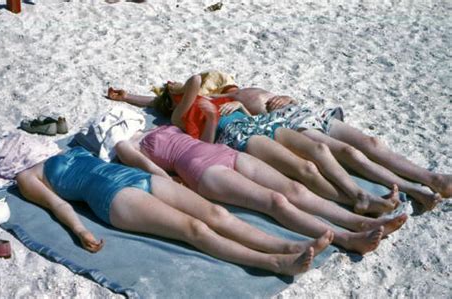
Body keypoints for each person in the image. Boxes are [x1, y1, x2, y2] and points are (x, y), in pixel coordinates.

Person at [0, 133, 330, 276]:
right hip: (111, 199)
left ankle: (290, 245)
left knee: (216, 213)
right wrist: (79, 230)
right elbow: (57, 206)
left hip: (131, 178)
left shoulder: (65, 149)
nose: (24, 143)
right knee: (194, 229)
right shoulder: (26, 178)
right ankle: (273, 262)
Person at [108, 73, 449, 211]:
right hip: (237, 136)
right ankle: (356, 198)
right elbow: (181, 97)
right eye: (170, 91)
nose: (171, 85)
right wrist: (206, 113)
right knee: (306, 168)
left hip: (264, 121)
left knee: (320, 153)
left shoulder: (219, 96)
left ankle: (391, 190)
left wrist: (127, 96)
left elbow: (183, 90)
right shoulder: (185, 114)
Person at [114, 124, 407, 254]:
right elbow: (150, 168)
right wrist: (172, 181)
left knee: (295, 188)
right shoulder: (124, 145)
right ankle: (345, 238)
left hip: (219, 151)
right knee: (274, 201)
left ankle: (362, 220)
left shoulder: (162, 123)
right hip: (201, 171)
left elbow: (198, 129)